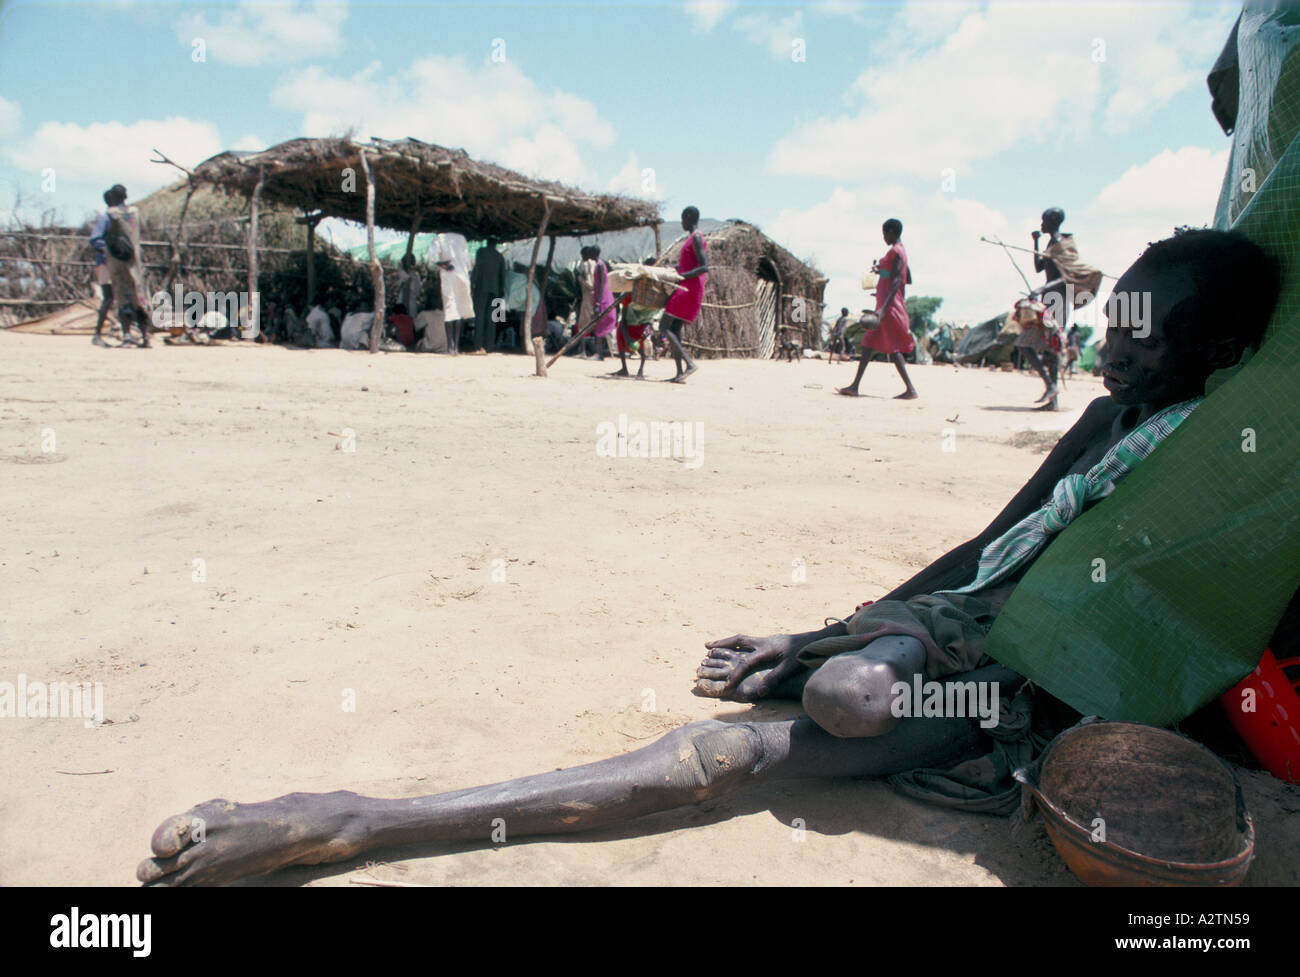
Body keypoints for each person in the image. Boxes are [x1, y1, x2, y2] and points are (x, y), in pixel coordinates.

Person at [135, 230, 1280, 887]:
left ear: (1223, 349)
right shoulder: (1102, 423)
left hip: (1016, 679)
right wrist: (831, 625)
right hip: (958, 625)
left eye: (1144, 330)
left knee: (766, 734)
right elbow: (986, 544)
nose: (1110, 344)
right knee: (836, 678)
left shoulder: (1230, 476)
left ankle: (356, 820)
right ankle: (347, 818)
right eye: (1113, 318)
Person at [838, 219, 916, 399]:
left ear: (891, 232)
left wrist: (883, 309)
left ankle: (910, 389)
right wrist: (881, 272)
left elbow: (898, 280)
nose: (883, 237)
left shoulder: (896, 251)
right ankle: (855, 385)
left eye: (884, 233)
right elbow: (904, 277)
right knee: (869, 344)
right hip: (884, 305)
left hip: (888, 308)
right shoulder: (899, 252)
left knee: (891, 348)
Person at [89, 184, 150, 347]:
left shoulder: (109, 215)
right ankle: (102, 334)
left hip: (117, 262)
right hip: (123, 261)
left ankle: (129, 335)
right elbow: (97, 240)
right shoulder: (135, 214)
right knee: (128, 296)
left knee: (123, 297)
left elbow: (95, 240)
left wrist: (113, 251)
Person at [661, 206, 708, 382]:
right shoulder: (691, 238)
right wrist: (674, 269)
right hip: (687, 284)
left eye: (682, 219)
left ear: (689, 218)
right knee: (675, 329)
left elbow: (704, 267)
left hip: (689, 288)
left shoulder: (696, 237)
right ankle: (680, 373)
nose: (681, 223)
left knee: (664, 326)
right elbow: (689, 265)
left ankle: (689, 364)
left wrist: (682, 275)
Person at [435, 234, 473, 355]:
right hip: (462, 277)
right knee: (458, 311)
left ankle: (450, 347)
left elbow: (432, 256)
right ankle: (456, 346)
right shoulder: (462, 238)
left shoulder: (440, 238)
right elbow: (468, 262)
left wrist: (442, 265)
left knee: (449, 311)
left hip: (448, 276)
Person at [471, 241, 507, 350]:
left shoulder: (481, 252)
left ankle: (478, 345)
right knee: (492, 318)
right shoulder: (500, 256)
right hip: (495, 290)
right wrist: (501, 290)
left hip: (481, 287)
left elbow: (476, 268)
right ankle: (489, 345)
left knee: (479, 316)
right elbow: (503, 275)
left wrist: (472, 283)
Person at [613, 294, 653, 378]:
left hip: (643, 325)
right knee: (619, 331)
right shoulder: (628, 296)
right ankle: (624, 368)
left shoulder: (651, 298)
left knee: (643, 345)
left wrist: (648, 328)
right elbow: (623, 320)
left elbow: (651, 318)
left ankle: (641, 369)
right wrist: (627, 338)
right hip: (628, 325)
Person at [396, 254, 423, 319]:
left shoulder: (415, 275)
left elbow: (416, 291)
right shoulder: (411, 274)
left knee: (410, 321)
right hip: (403, 303)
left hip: (410, 303)